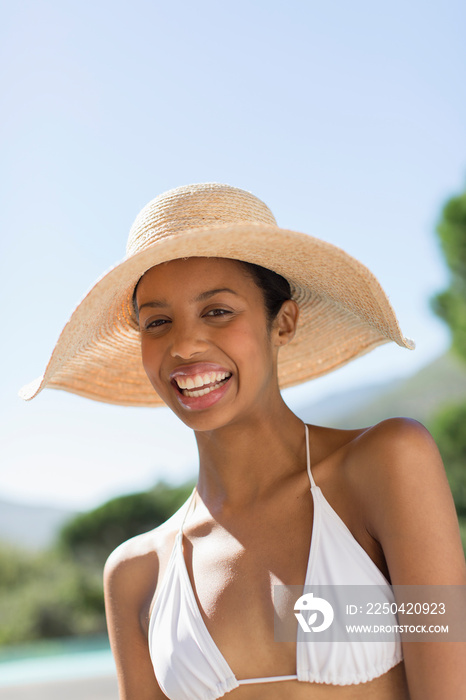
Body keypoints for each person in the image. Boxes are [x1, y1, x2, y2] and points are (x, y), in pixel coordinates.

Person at [21, 183, 466, 699]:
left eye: (218, 311)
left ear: (284, 322)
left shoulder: (385, 465)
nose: (184, 345)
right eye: (158, 322)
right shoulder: (137, 574)